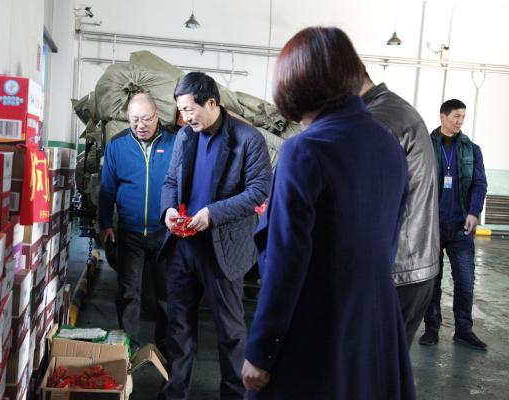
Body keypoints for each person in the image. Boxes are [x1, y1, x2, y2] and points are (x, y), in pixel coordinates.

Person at [242, 27, 415, 399]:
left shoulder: (304, 150)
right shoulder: (388, 144)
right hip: (374, 325)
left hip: (316, 330)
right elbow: (388, 242)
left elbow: (286, 263)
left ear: (296, 83)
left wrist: (261, 351)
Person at [159, 71, 272, 400]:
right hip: (183, 245)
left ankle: (235, 396)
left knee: (230, 333)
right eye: (181, 110)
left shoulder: (247, 139)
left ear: (211, 103)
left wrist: (212, 214)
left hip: (222, 249)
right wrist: (168, 211)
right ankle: (174, 393)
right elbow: (170, 182)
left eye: (189, 109)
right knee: (178, 327)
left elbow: (258, 192)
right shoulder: (185, 136)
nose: (185, 117)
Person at [360, 71, 440, 347]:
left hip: (394, 271)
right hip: (414, 265)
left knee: (370, 364)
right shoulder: (396, 109)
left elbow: (364, 206)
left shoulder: (378, 121)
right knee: (388, 362)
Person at [98, 92, 176, 353]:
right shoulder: (117, 145)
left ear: (157, 116)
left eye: (146, 119)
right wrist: (105, 223)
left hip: (165, 233)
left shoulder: (175, 143)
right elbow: (107, 188)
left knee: (166, 295)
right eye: (134, 120)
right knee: (129, 293)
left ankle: (165, 348)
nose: (140, 125)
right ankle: (128, 349)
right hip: (130, 232)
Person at [418, 99, 488, 350]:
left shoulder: (471, 149)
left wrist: (474, 212)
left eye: (463, 117)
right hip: (432, 226)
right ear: (443, 117)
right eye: (456, 116)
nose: (460, 121)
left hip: (461, 227)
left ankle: (464, 330)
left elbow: (479, 183)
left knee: (465, 281)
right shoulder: (425, 145)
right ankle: (431, 328)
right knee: (432, 282)